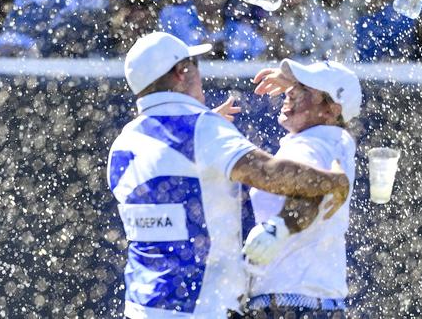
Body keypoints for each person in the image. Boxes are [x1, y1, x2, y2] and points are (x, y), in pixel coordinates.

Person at [106, 32, 351, 318]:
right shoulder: (202, 129)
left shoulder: (123, 143)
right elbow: (272, 174)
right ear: (182, 72)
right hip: (201, 305)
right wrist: (335, 181)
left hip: (140, 305)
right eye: (195, 64)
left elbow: (171, 181)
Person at [241, 59, 362, 318]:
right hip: (313, 302)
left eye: (304, 89)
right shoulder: (332, 139)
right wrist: (302, 88)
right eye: (294, 85)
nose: (290, 91)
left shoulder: (316, 141)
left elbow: (311, 188)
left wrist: (280, 227)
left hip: (293, 304)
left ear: (331, 111)